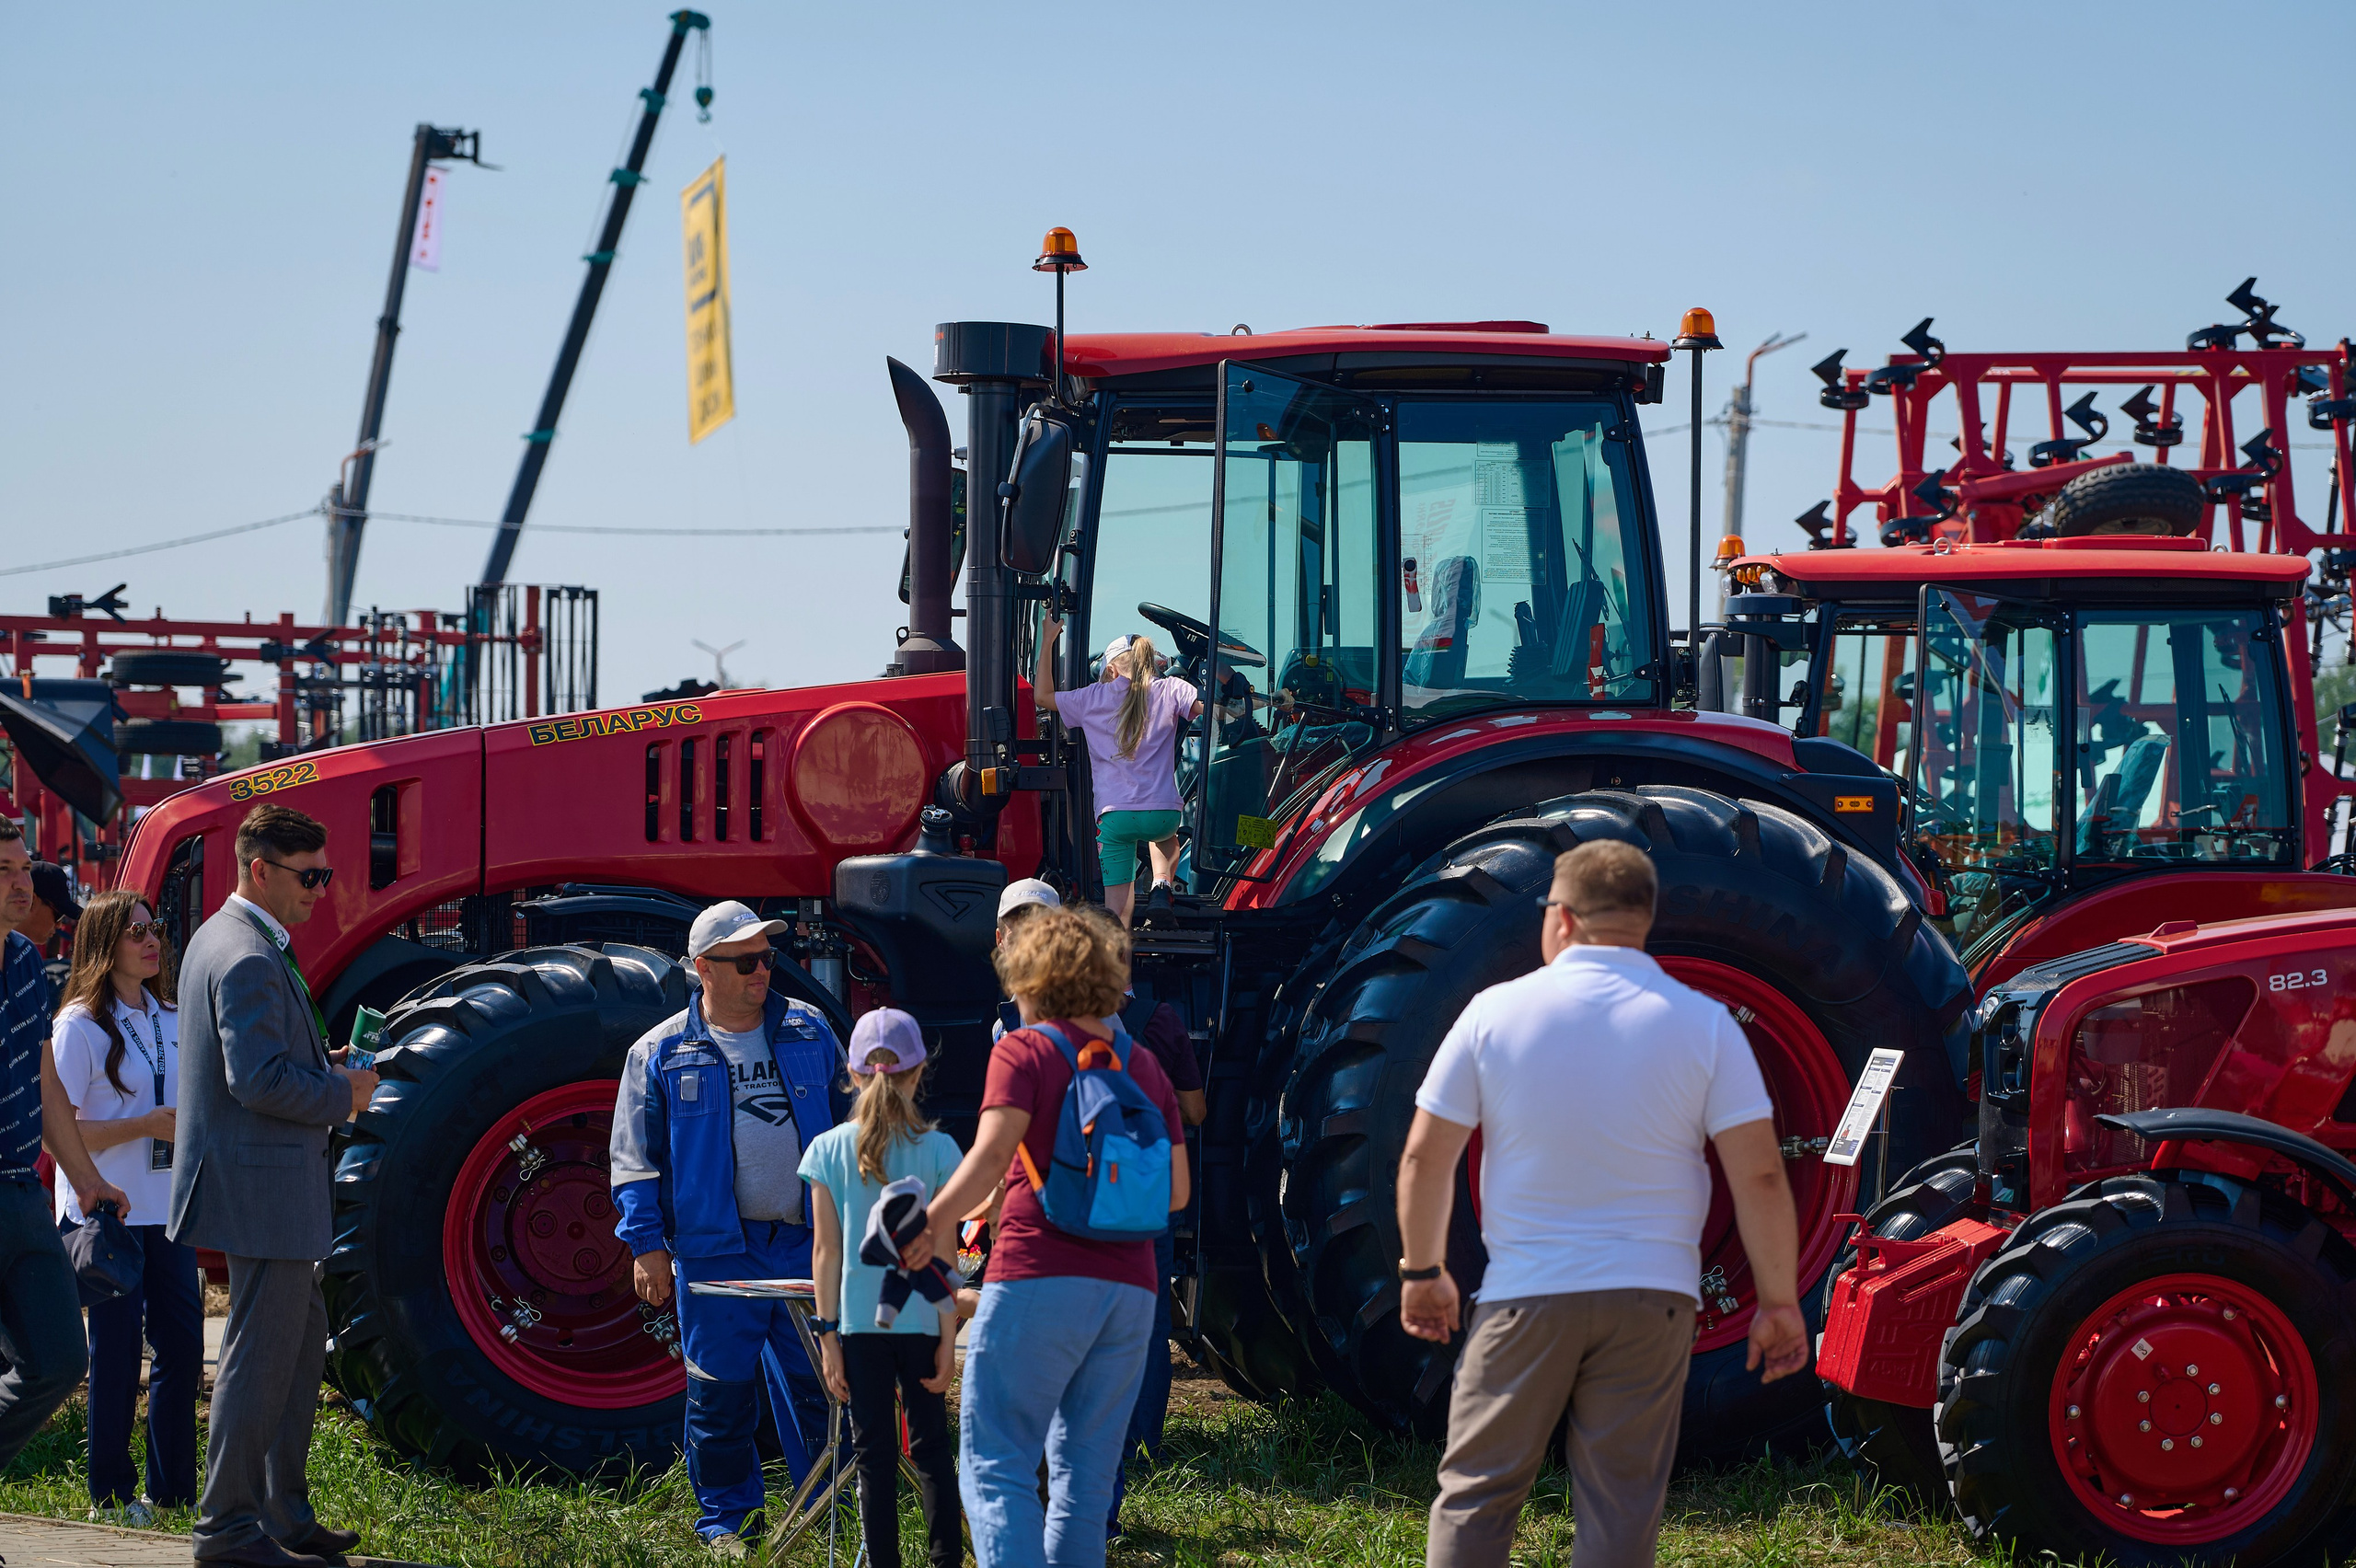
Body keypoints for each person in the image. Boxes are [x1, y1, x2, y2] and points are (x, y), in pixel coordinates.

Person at [1397, 839, 1807, 1568]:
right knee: (1622, 1505)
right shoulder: (1706, 1023)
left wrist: (1422, 1270)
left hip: (1527, 1294)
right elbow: (1764, 1177)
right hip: (1655, 1300)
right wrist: (1777, 1302)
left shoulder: (1493, 1013)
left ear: (1560, 919)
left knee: (1478, 1494)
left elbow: (1428, 1155)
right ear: (1643, 922)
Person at [916, 904, 1189, 1568]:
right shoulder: (1143, 1066)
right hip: (1131, 1293)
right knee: (1085, 1486)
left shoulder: (1024, 1050)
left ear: (1027, 972)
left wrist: (931, 1223)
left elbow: (986, 1157)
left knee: (996, 1464)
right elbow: (1176, 1193)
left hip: (1039, 1276)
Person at [169, 803, 375, 1568]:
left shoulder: (225, 940)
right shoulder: (251, 953)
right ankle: (227, 1529)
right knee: (261, 1360)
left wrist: (326, 1063)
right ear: (262, 870)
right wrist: (343, 1094)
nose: (322, 889)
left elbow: (258, 1063)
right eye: (311, 875)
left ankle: (280, 1512)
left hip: (263, 1184)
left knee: (289, 1357)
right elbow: (255, 1080)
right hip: (266, 1189)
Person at [610, 900, 843, 1560]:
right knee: (720, 1394)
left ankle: (828, 1506)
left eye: (767, 957)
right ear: (703, 968)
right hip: (715, 1252)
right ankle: (727, 1525)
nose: (761, 971)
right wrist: (647, 1245)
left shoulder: (811, 1029)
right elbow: (634, 1159)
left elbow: (860, 1125)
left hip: (806, 1243)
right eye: (745, 961)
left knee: (822, 1383)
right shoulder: (657, 1052)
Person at [52, 890, 202, 1525]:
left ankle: (172, 1495)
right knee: (112, 1358)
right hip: (105, 1211)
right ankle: (110, 1496)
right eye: (136, 931)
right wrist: (142, 1125)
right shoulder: (79, 1027)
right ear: (103, 943)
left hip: (168, 1210)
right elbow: (59, 1129)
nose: (152, 940)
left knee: (184, 1350)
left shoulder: (172, 1014)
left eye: (155, 928)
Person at [799, 1008, 964, 1568]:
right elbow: (945, 1257)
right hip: (921, 1320)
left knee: (873, 1456)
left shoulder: (825, 1150)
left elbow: (826, 1252)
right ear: (919, 1073)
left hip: (859, 1326)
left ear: (852, 1074)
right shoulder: (942, 1152)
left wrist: (827, 1337)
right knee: (933, 1452)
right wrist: (948, 1335)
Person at [0, 822, 130, 1478]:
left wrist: (84, 1179)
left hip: (21, 1192)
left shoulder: (25, 963)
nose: (23, 883)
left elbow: (46, 1086)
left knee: (57, 1361)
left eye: (24, 868)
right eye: (4, 871)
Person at [1033, 622, 1204, 925]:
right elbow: (1211, 707)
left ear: (1111, 670)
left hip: (1115, 819)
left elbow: (1043, 696)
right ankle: (1161, 887)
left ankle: (1119, 969)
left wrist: (1047, 640)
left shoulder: (1091, 697)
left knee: (1117, 916)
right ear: (1150, 663)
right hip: (1162, 815)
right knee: (1166, 839)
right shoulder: (1171, 688)